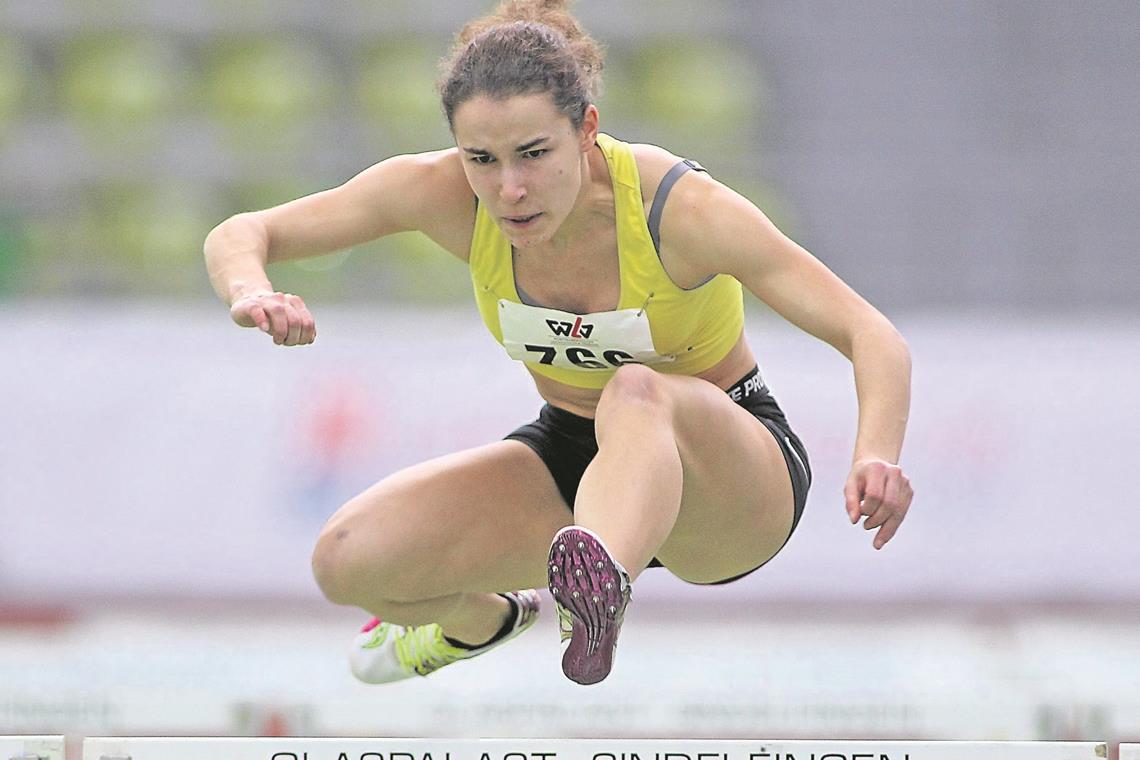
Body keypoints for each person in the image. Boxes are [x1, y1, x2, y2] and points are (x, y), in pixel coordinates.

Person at [203, 0, 913, 686]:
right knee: (347, 559)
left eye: (533, 154)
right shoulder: (439, 194)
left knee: (636, 391)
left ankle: (597, 589)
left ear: (586, 129)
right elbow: (243, 233)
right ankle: (481, 623)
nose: (509, 190)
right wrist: (249, 291)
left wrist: (876, 452)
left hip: (725, 481)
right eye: (481, 159)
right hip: (574, 459)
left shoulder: (683, 211)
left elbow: (869, 333)